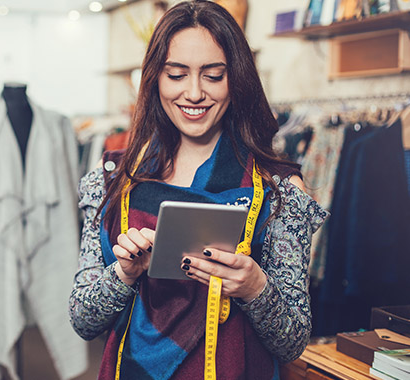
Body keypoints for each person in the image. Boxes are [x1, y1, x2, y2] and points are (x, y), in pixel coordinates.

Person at [69, 1, 329, 379]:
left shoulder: (277, 190)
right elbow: (83, 320)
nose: (194, 93)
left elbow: (293, 342)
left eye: (213, 75)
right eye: (176, 74)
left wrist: (255, 287)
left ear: (236, 78)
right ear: (155, 78)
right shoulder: (112, 179)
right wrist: (123, 274)